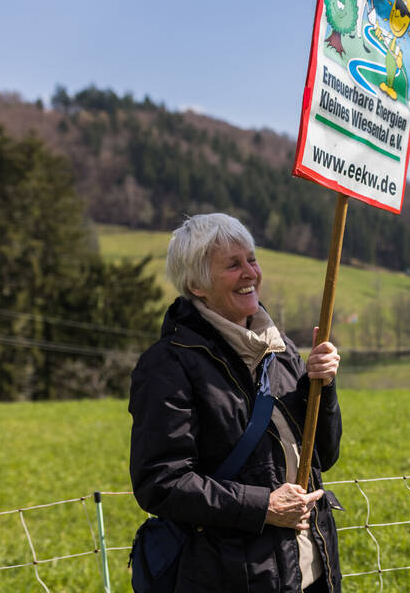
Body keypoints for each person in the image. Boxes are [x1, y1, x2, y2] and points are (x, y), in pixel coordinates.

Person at [129, 213, 343, 593]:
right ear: (197, 284)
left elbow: (324, 454)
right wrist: (264, 506)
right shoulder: (168, 365)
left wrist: (322, 387)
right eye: (233, 264)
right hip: (228, 577)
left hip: (310, 571)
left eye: (252, 259)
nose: (250, 273)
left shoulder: (283, 351)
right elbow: (161, 483)